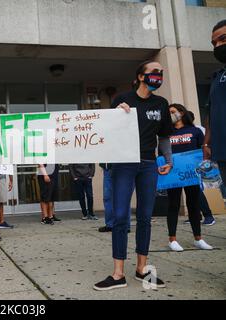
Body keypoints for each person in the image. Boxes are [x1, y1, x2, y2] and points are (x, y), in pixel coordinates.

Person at [94, 60, 172, 291]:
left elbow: (165, 136)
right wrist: (116, 116)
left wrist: (168, 160)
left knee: (145, 217)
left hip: (148, 164)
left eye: (161, 73)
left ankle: (141, 269)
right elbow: (107, 130)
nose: (158, 75)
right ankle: (118, 273)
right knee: (120, 217)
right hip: (124, 165)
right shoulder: (122, 99)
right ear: (140, 76)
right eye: (154, 72)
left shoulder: (161, 103)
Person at [166, 104, 213, 252]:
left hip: (191, 174)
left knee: (193, 205)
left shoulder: (195, 131)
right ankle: (172, 239)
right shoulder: (166, 132)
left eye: (173, 112)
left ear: (181, 113)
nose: (171, 115)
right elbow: (161, 151)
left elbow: (202, 150)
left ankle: (198, 238)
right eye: (168, 113)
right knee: (173, 204)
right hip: (173, 174)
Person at [203, 20, 226, 208]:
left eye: (223, 39)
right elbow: (210, 112)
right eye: (214, 43)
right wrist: (207, 143)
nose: (218, 46)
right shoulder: (217, 76)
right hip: (222, 151)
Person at [184, 111, 216, 226]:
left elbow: (204, 146)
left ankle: (209, 216)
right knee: (189, 192)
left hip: (197, 164)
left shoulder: (198, 129)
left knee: (197, 191)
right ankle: (196, 215)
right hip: (185, 166)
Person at [98, 163, 131, 232]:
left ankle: (126, 225)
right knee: (107, 197)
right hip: (107, 168)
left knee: (124, 197)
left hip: (122, 168)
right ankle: (110, 224)